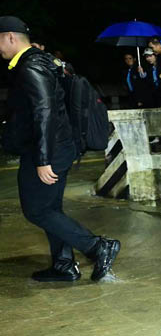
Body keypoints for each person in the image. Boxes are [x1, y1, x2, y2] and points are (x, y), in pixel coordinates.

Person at [0, 16, 120, 283]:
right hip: (59, 147)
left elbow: (44, 112)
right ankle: (64, 264)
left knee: (37, 210)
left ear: (10, 37)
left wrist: (43, 159)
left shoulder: (30, 66)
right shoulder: (44, 61)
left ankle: (98, 247)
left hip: (48, 151)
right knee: (50, 208)